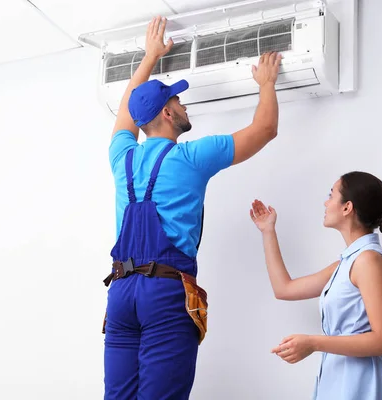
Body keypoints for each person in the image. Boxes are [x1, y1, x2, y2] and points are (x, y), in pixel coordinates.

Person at [103, 15, 282, 400]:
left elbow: (126, 111)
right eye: (177, 100)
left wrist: (149, 57)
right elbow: (265, 129)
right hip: (165, 295)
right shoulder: (191, 157)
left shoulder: (123, 158)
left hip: (120, 294)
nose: (183, 105)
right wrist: (266, 84)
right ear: (168, 114)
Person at [249, 171, 382, 400]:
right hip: (338, 380)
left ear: (346, 207)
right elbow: (284, 289)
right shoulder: (347, 263)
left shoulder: (368, 261)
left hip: (362, 384)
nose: (325, 202)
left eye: (331, 195)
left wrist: (313, 343)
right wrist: (268, 231)